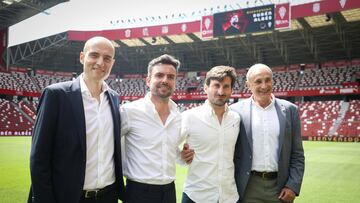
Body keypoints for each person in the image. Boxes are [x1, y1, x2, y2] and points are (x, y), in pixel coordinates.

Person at [28, 36, 125, 203]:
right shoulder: (56, 95)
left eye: (107, 58)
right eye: (94, 55)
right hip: (68, 197)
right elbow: (39, 158)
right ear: (82, 57)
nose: (100, 62)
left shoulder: (114, 98)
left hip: (108, 196)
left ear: (112, 63)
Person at [120, 54, 193, 203]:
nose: (165, 80)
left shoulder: (178, 116)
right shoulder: (129, 111)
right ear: (148, 80)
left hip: (169, 191)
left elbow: (172, 152)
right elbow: (110, 146)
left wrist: (183, 156)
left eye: (171, 77)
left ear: (175, 82)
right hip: (139, 192)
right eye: (159, 75)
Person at [230, 63, 305, 203]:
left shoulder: (290, 110)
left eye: (267, 80)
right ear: (248, 85)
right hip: (247, 186)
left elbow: (297, 154)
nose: (264, 86)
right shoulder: (235, 111)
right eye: (258, 81)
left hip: (280, 188)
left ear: (273, 81)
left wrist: (293, 186)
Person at [180, 66, 240, 203]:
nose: (221, 91)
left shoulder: (236, 119)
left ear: (231, 90)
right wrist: (181, 157)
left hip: (229, 197)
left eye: (226, 86)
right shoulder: (189, 117)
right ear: (206, 88)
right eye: (216, 85)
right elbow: (167, 144)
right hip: (197, 196)